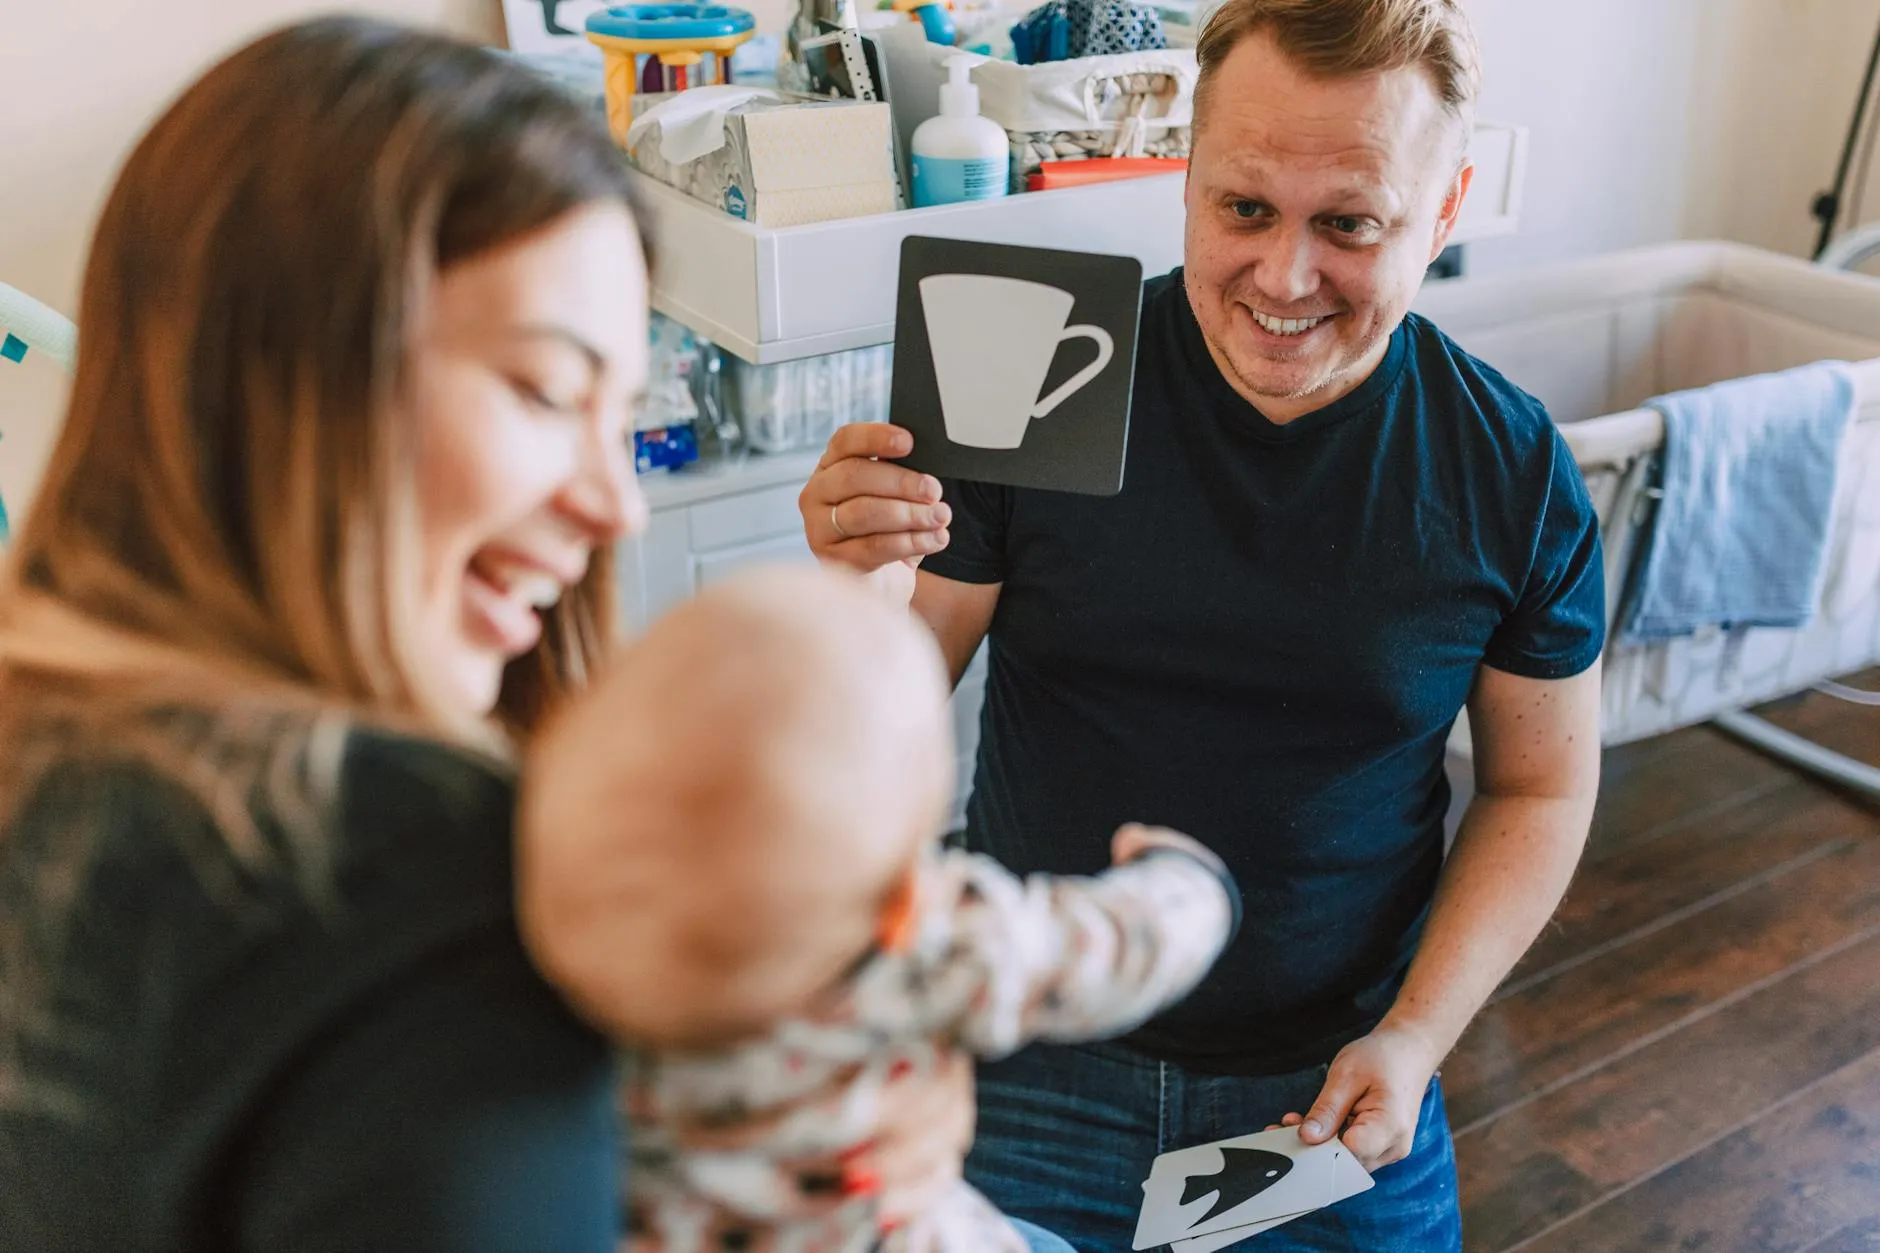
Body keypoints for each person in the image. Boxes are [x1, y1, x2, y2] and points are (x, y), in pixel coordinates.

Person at [0, 18, 977, 1251]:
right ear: (291, 371)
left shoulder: (61, 772)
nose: (612, 501)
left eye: (615, 416)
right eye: (542, 390)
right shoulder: (413, 866)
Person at [798, 0, 1606, 1246]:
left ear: (1439, 215)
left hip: (1330, 1085)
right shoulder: (1045, 374)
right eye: (1243, 209)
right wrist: (857, 582)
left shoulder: (1507, 470)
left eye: (1348, 224)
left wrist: (1413, 1035)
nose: (1283, 279)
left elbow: (1539, 789)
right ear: (1184, 177)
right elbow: (878, 712)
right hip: (1023, 1037)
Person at [514, 562, 1240, 1253]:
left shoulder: (586, 951)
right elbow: (1110, 949)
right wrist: (1185, 877)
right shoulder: (919, 948)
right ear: (901, 897)